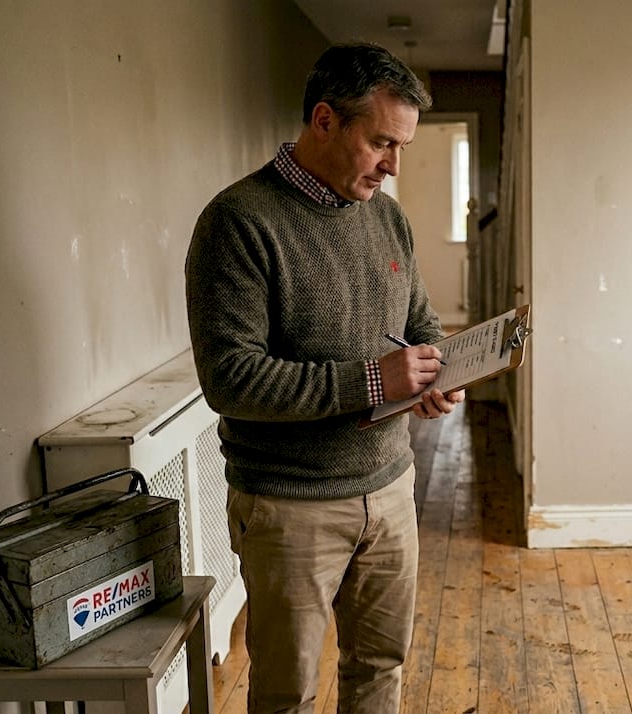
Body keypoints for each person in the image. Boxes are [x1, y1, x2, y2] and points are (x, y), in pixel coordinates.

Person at [185, 42, 464, 713]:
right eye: (381, 144)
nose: (393, 166)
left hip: (391, 490)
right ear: (324, 121)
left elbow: (418, 319)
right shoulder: (239, 221)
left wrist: (434, 374)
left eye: (402, 147)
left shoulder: (387, 217)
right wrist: (375, 382)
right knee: (287, 694)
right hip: (290, 507)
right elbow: (231, 378)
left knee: (380, 670)